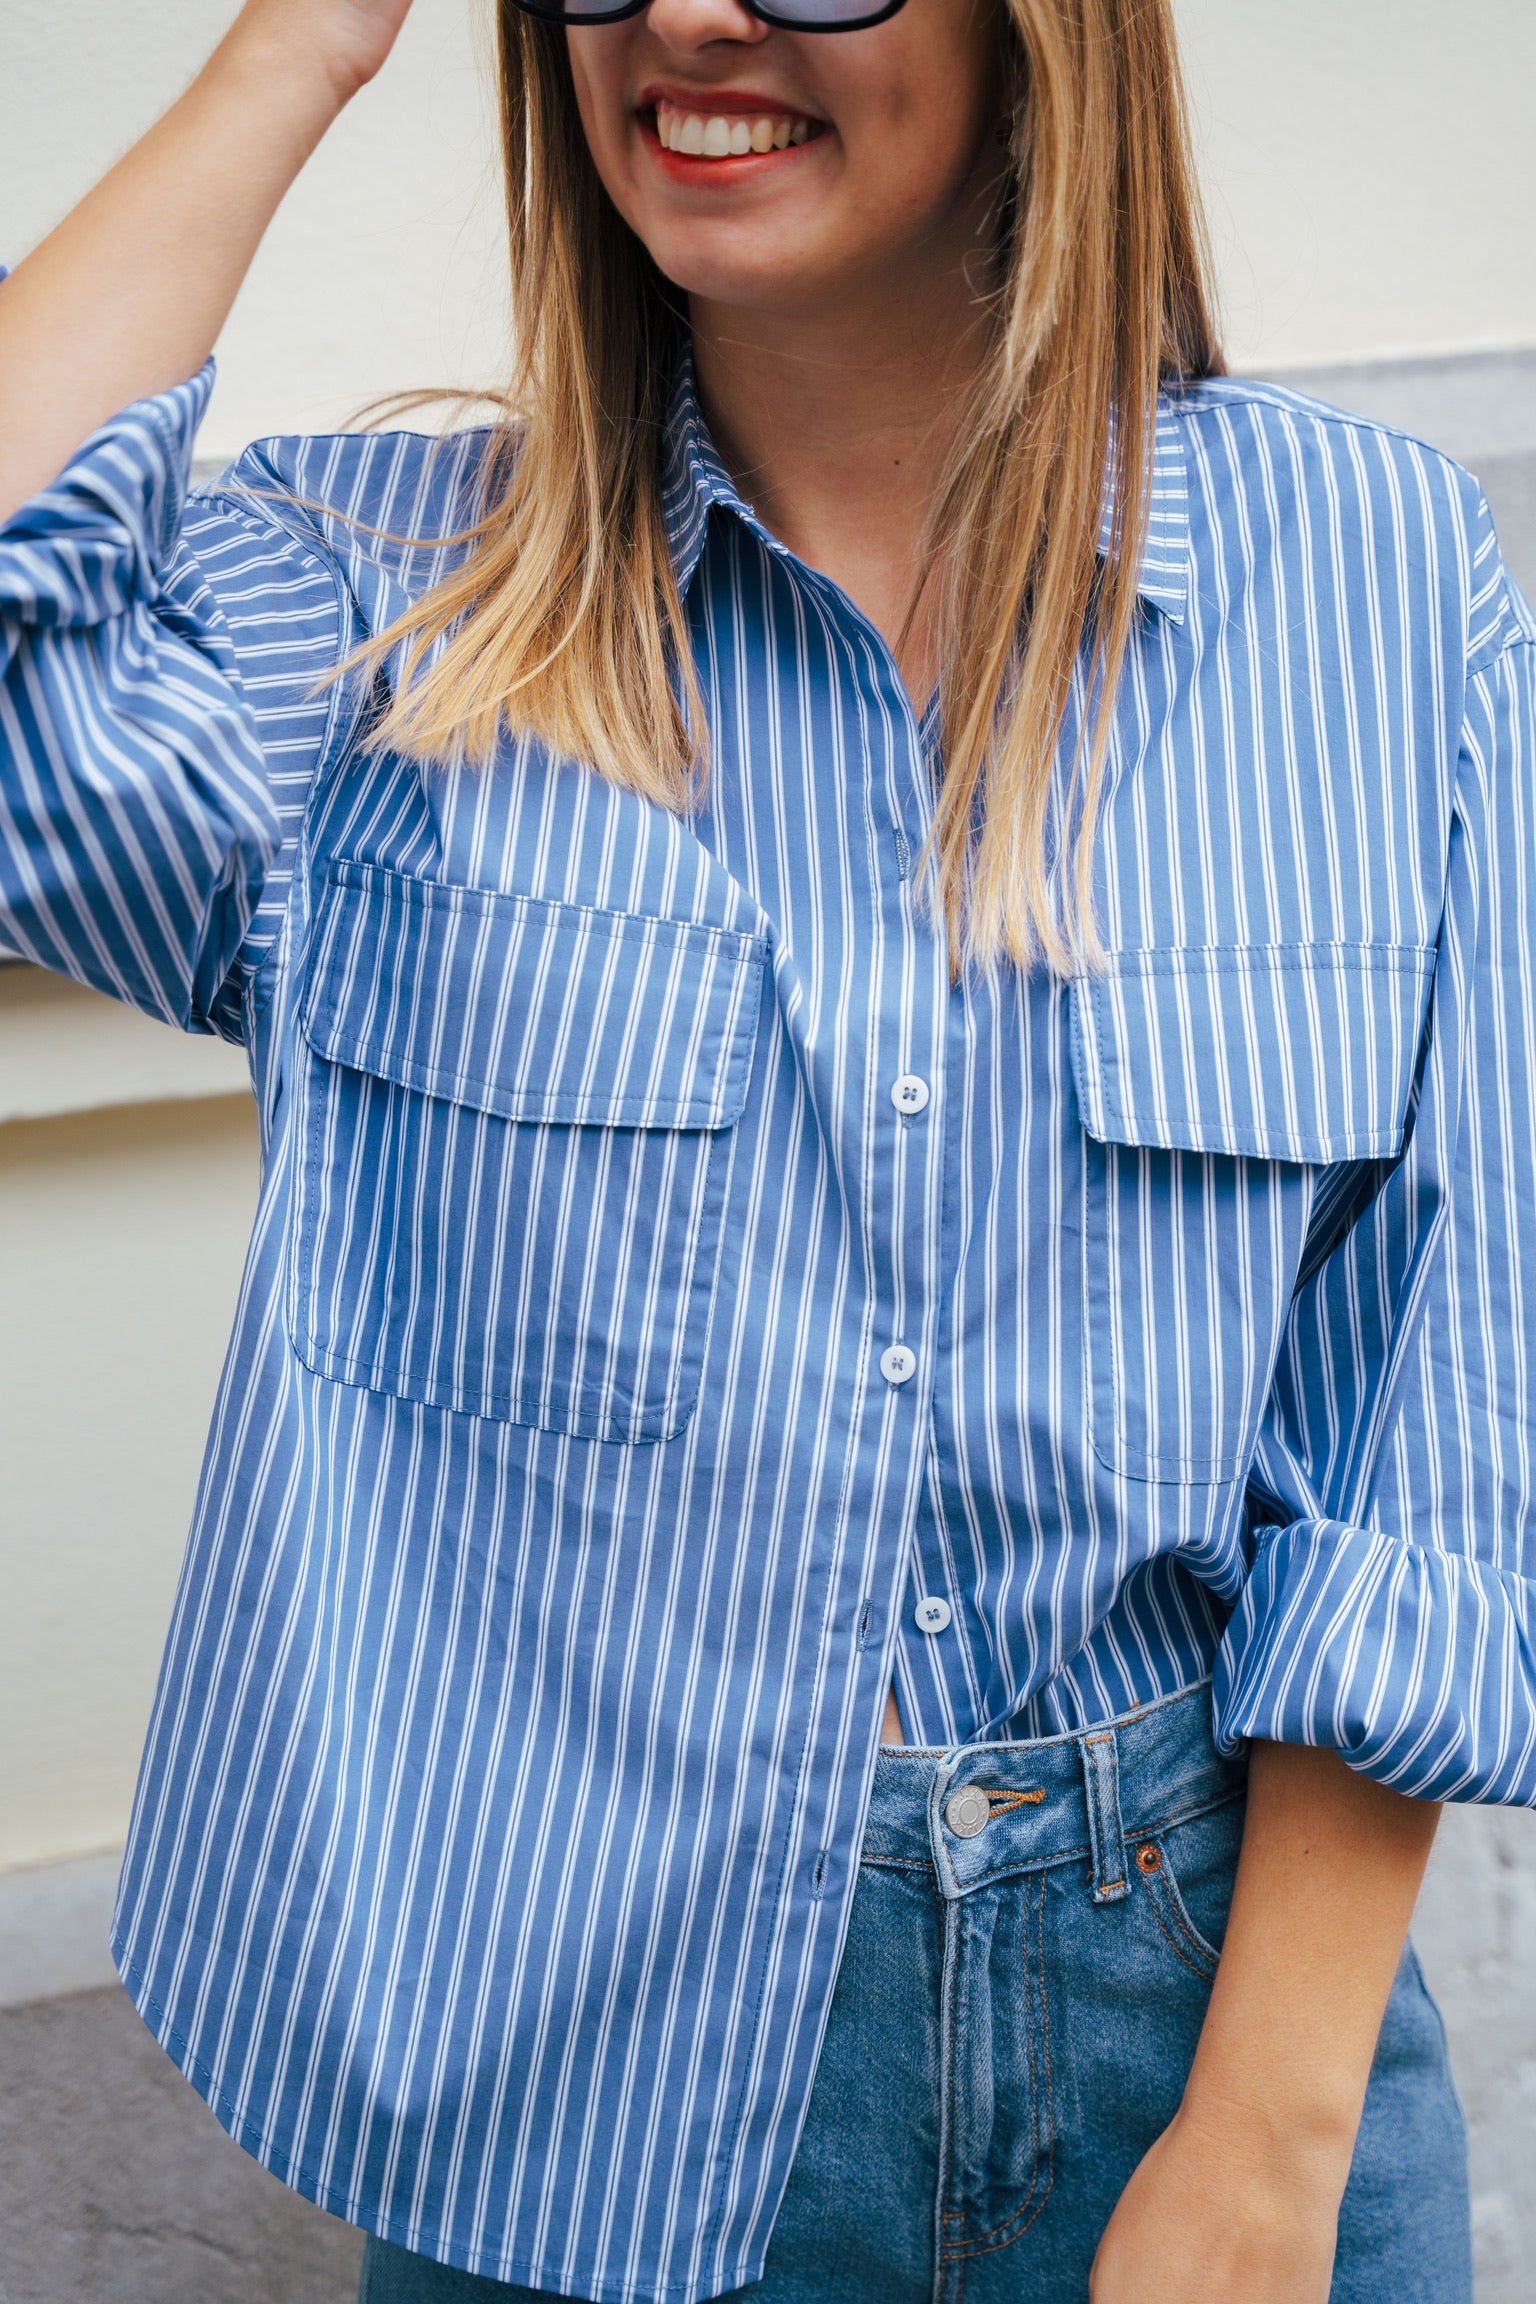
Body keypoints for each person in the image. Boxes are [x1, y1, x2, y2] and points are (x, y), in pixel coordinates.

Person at [0, 0, 1531, 2295]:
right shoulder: (375, 609)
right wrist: (299, 50)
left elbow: (1444, 1384)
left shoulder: (1381, 585)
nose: (697, 11)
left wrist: (1267, 2137)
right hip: (577, 2080)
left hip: (1211, 2032)